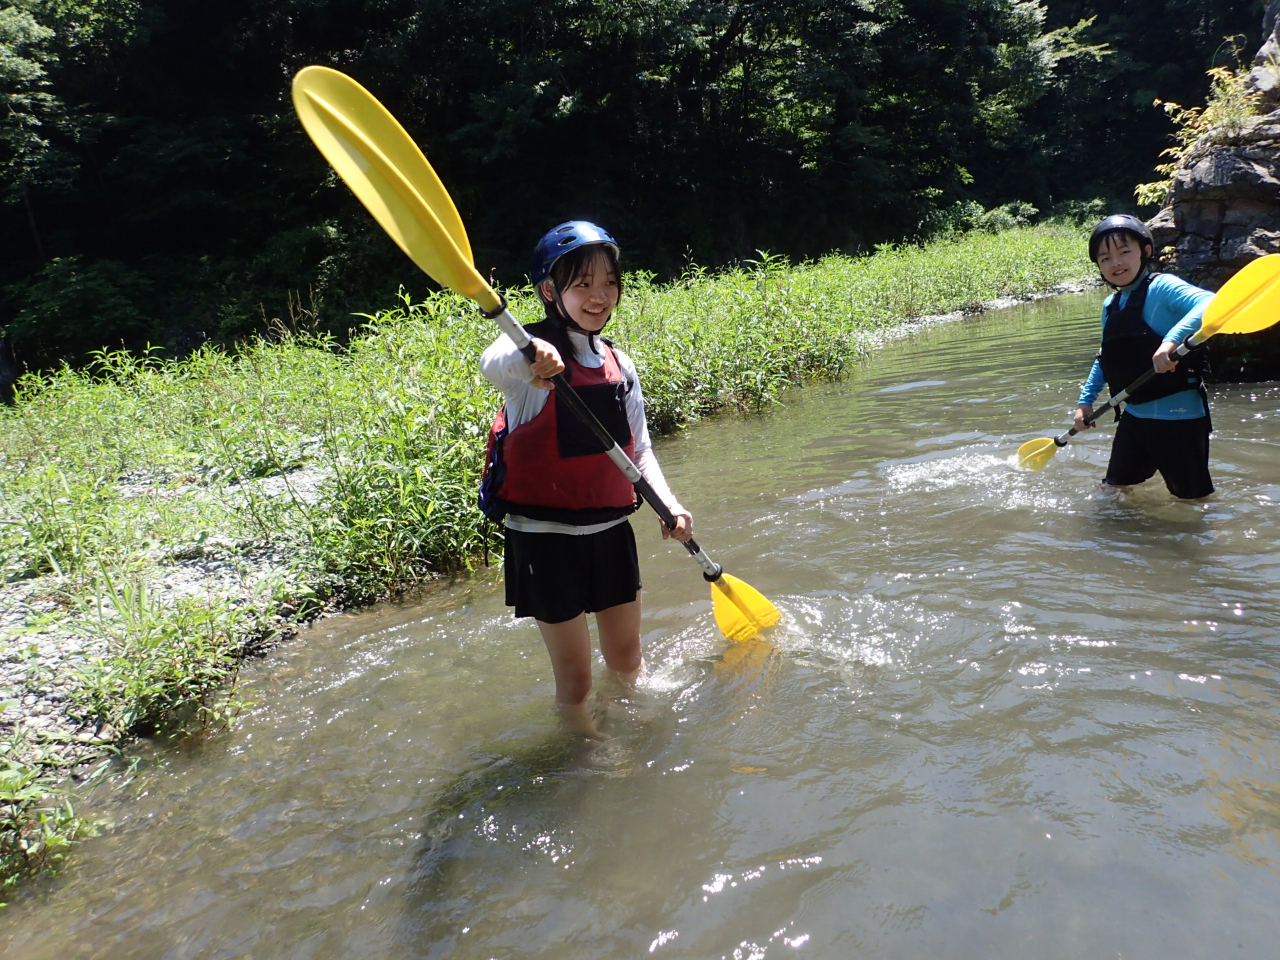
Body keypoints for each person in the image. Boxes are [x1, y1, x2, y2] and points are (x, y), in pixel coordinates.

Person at [479, 221, 693, 737]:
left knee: (629, 663)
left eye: (610, 283)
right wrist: (528, 353)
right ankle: (592, 761)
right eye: (583, 285)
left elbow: (638, 449)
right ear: (550, 292)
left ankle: (642, 739)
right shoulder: (527, 364)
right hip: (545, 544)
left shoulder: (621, 363)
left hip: (610, 536)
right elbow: (492, 365)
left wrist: (670, 504)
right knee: (575, 684)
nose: (599, 296)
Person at [1073, 214, 1216, 500]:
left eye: (1124, 252)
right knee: (1111, 493)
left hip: (1180, 419)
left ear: (1145, 252)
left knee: (1196, 504)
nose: (1116, 263)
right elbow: (1106, 356)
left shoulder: (1162, 286)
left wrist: (1170, 342)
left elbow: (1209, 301)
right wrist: (1085, 402)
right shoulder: (1110, 304)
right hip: (1134, 418)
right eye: (1105, 258)